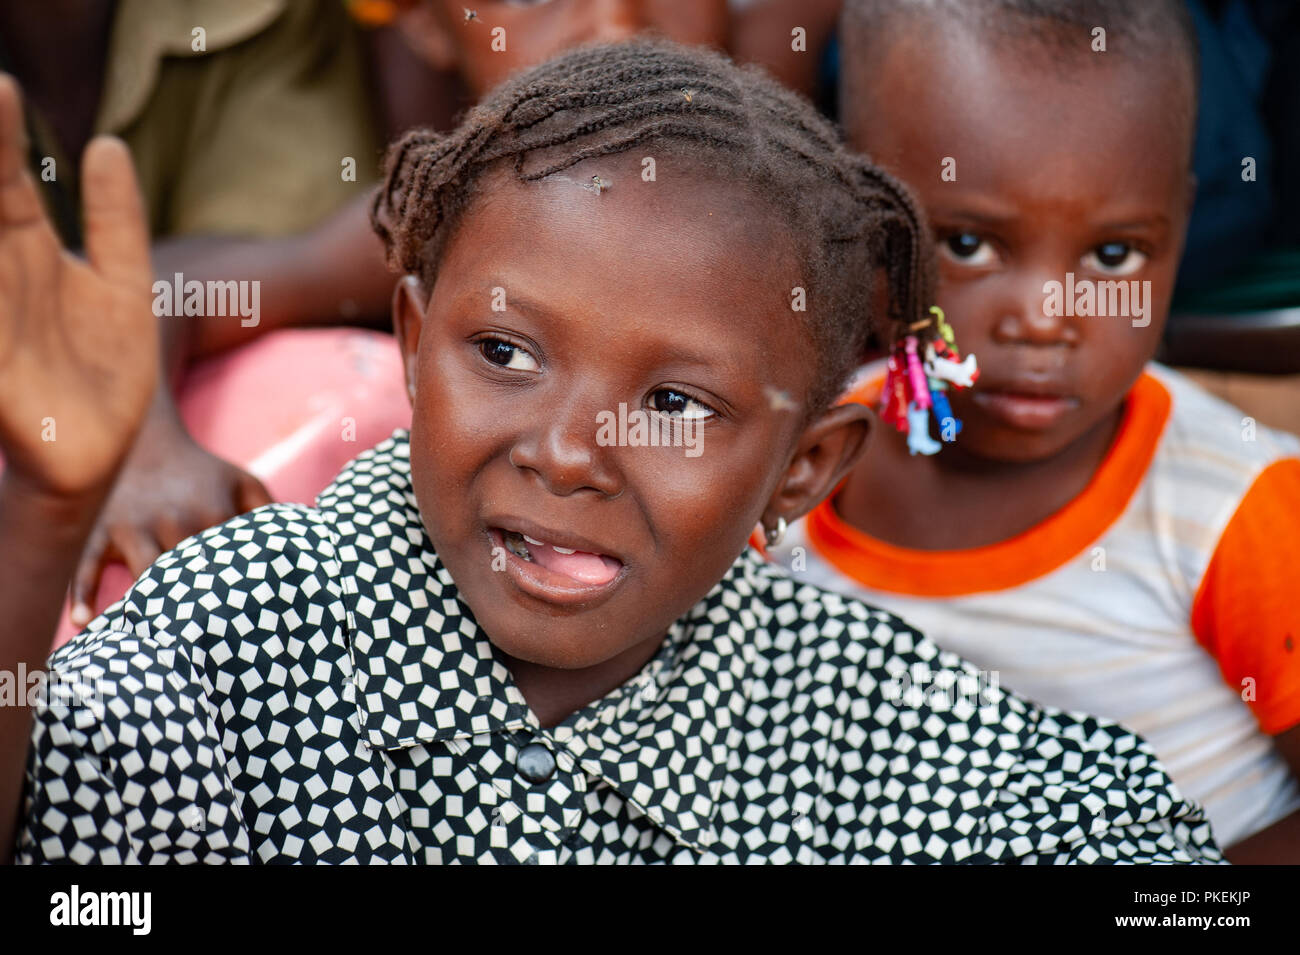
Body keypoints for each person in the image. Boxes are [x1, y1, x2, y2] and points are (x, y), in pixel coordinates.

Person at [2, 42, 1222, 864]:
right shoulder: (232, 634)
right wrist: (40, 523)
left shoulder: (867, 710)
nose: (573, 452)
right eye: (506, 354)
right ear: (414, 344)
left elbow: (1111, 833)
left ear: (802, 470)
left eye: (679, 404)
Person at [774, 0, 1300, 862]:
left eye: (1115, 255)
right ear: (856, 222)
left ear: (1180, 218)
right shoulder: (799, 464)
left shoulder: (1233, 507)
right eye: (971, 243)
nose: (1047, 320)